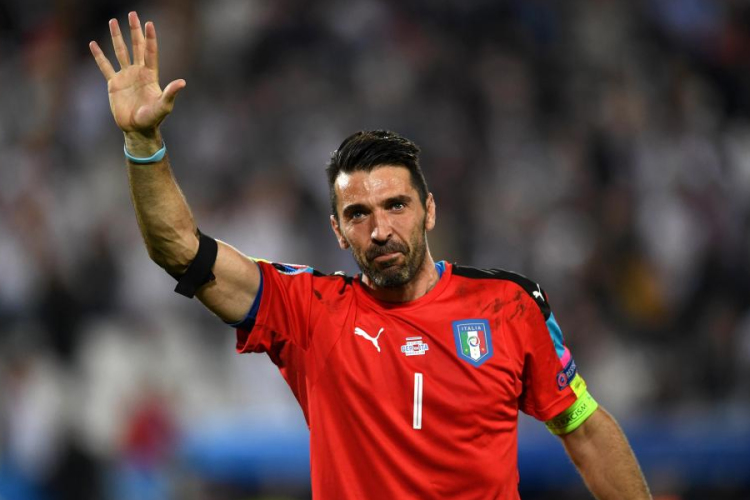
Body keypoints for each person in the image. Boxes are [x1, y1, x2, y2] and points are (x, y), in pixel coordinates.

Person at [90, 12, 652, 500]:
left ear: (429, 210)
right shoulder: (310, 312)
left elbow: (584, 428)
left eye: (396, 205)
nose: (380, 229)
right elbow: (179, 248)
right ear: (338, 231)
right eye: (358, 214)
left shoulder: (509, 305)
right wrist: (143, 144)